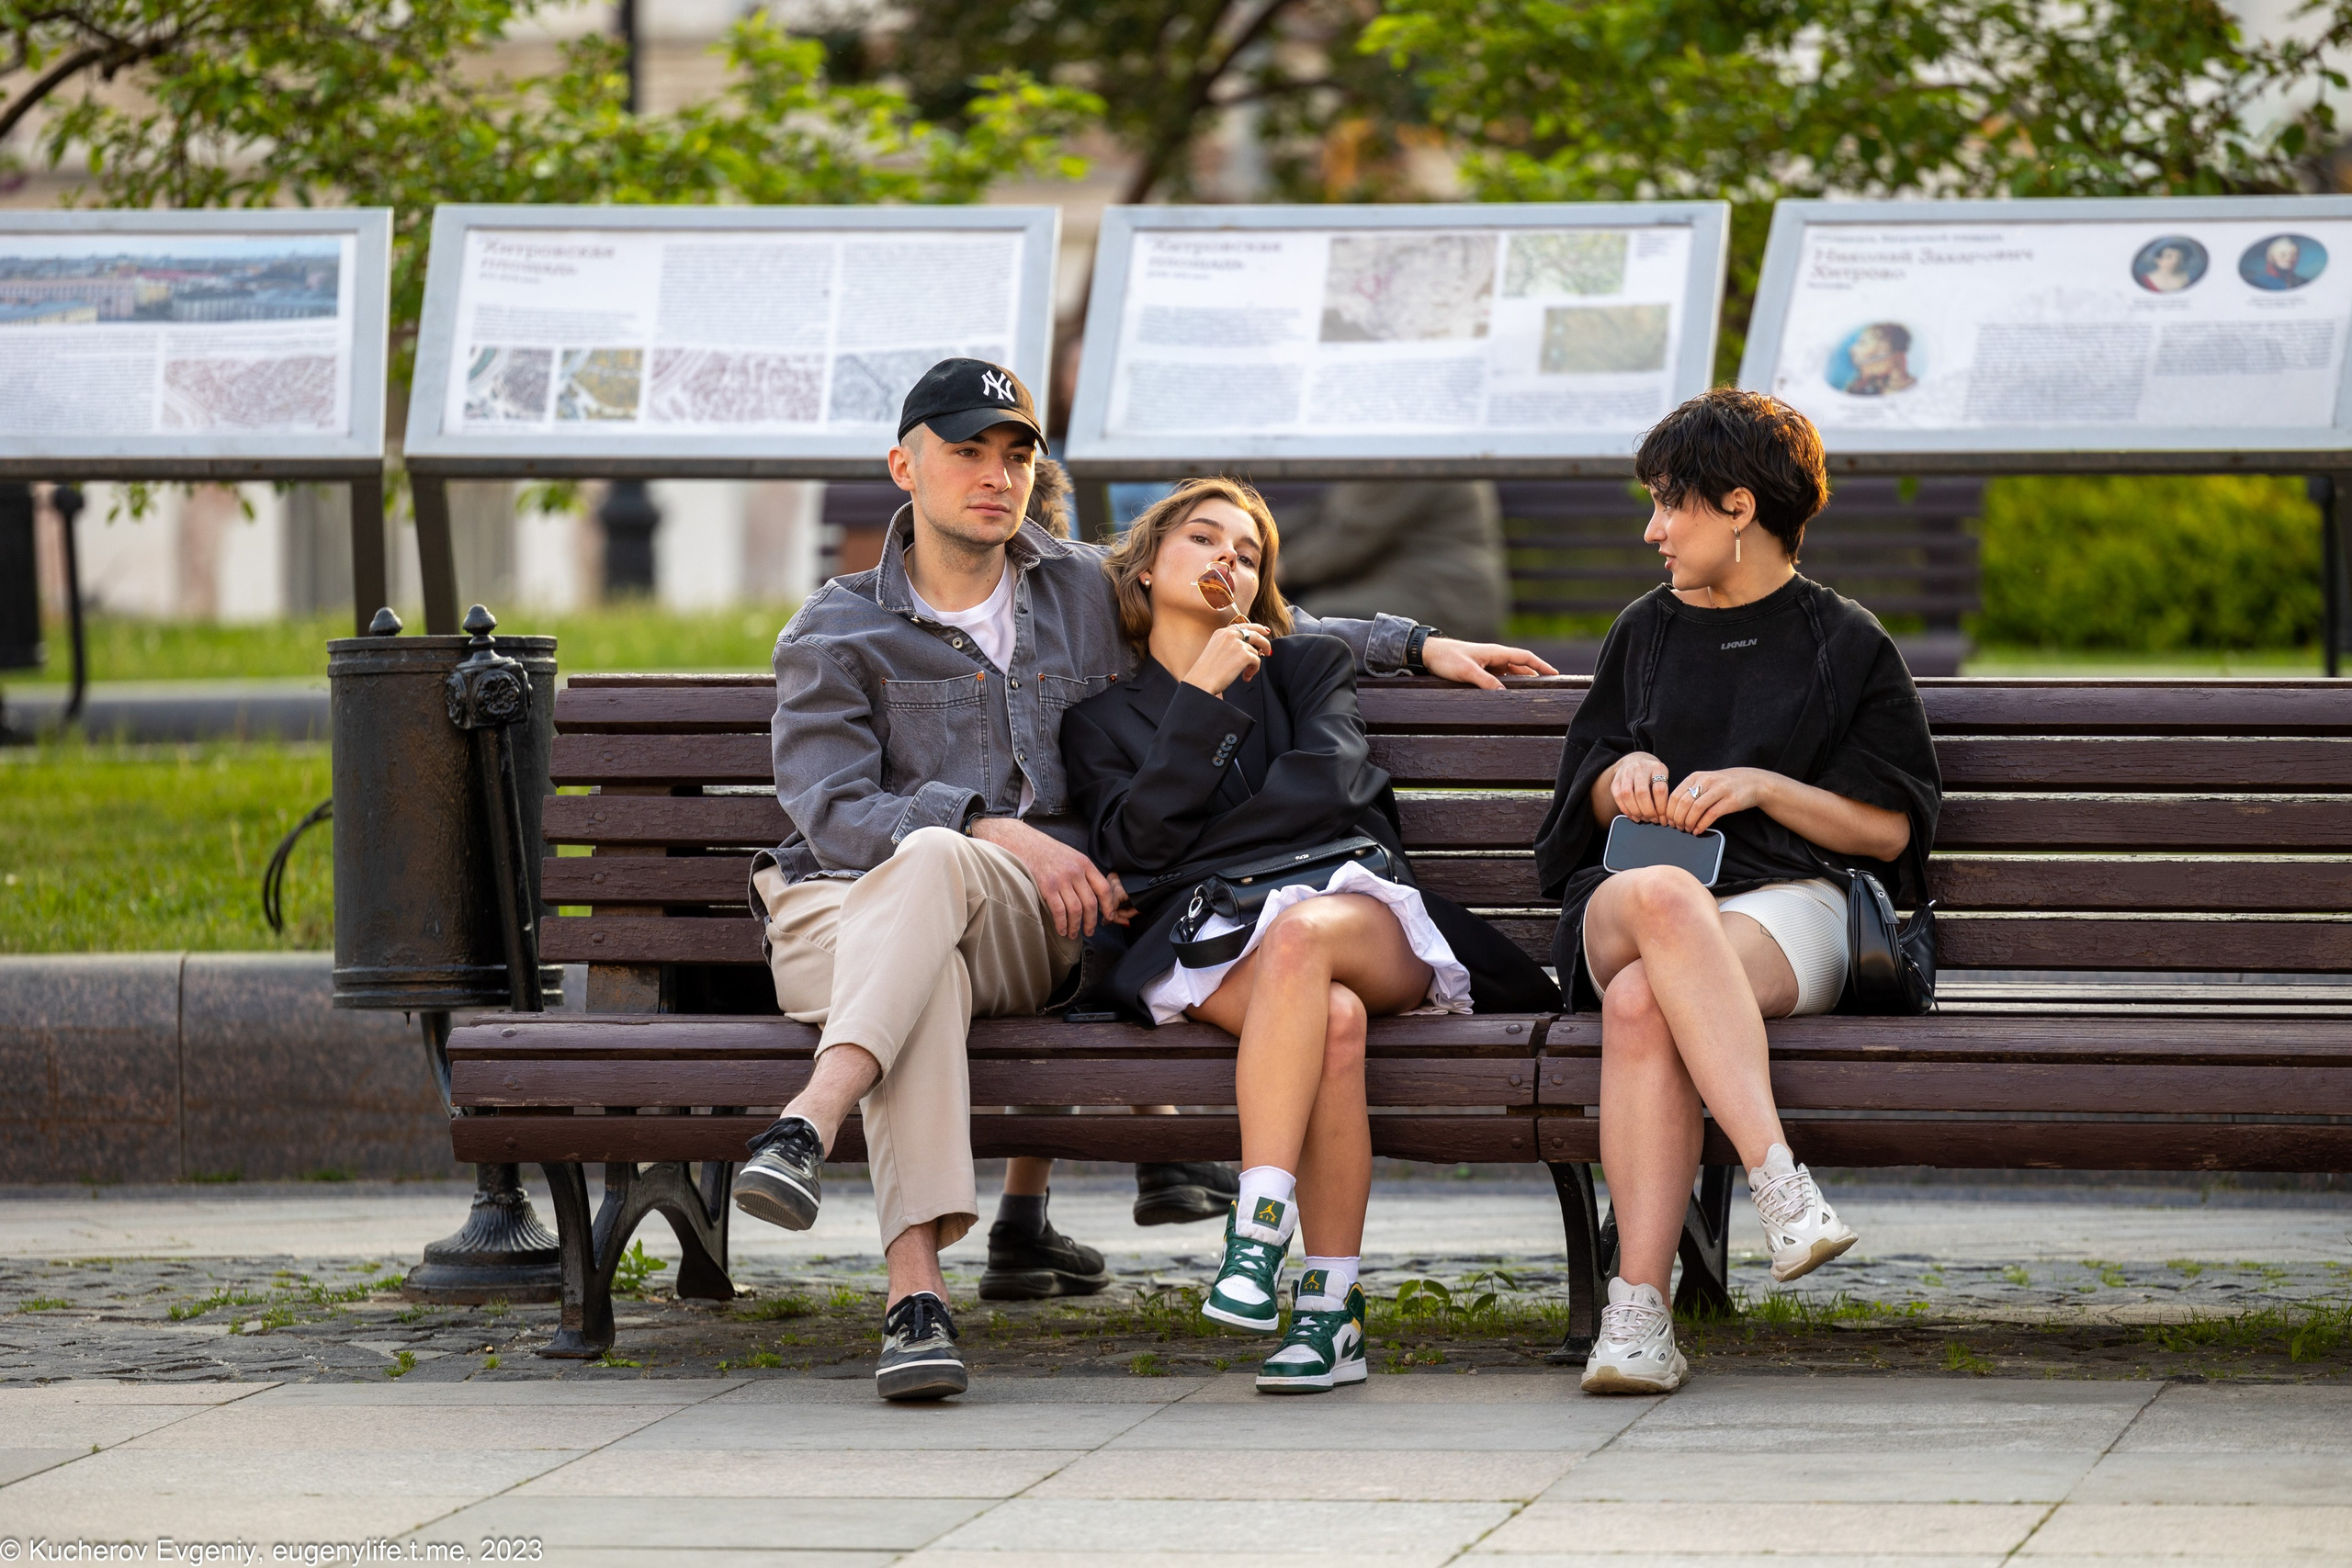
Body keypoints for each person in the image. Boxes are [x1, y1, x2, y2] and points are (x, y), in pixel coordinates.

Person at [729, 358, 1556, 1402]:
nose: (995, 476)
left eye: (1014, 456)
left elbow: (1230, 609)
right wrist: (1002, 829)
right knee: (929, 877)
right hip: (840, 909)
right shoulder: (834, 627)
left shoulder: (1074, 586)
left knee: (946, 883)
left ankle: (812, 1126)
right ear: (904, 465)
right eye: (965, 453)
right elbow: (833, 814)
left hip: (1018, 921)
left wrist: (1416, 644)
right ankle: (913, 1294)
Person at [1061, 477, 1561, 1394]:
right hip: (1214, 938)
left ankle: (1254, 1230)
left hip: (1356, 912)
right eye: (1205, 540)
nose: (1229, 560)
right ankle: (1330, 1313)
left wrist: (1198, 850)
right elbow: (1129, 845)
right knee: (1328, 1020)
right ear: (1142, 573)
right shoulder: (1098, 723)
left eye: (1248, 554)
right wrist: (1198, 706)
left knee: (1298, 937)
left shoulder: (1305, 668)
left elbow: (1328, 794)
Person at [1532, 389, 1940, 1396]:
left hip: (1787, 905)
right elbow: (1577, 794)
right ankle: (1778, 1181)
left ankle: (1637, 1321)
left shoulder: (1844, 642)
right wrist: (1614, 772)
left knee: (1642, 1004)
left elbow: (1890, 830)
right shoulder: (1645, 631)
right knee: (1665, 902)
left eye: (1671, 504)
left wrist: (1765, 787)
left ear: (1740, 508)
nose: (1652, 529)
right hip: (1633, 900)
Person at [1274, 480, 1511, 642]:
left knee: (1313, 624)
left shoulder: (1408, 446)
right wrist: (1257, 530)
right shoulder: (1399, 438)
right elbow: (1325, 514)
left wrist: (1277, 569)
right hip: (1418, 585)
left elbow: (1351, 536)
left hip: (1445, 599)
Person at [1839, 323, 1916, 396]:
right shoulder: (1861, 385)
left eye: (1863, 343)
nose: (1852, 349)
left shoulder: (1908, 389)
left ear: (1884, 350)